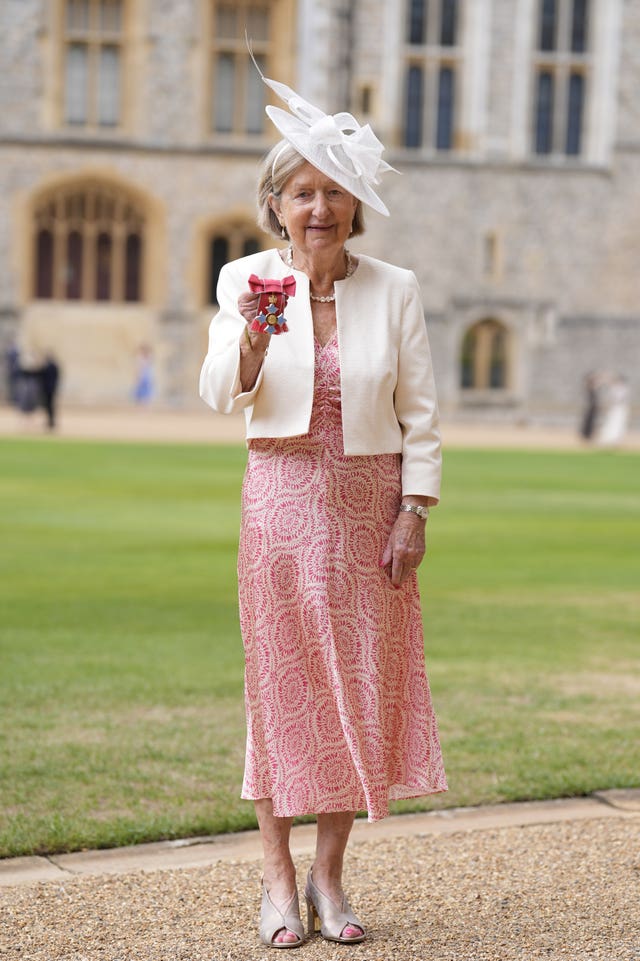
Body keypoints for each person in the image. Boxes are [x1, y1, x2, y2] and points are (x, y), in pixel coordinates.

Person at [199, 70, 447, 949]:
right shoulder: (248, 279)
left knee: (358, 686)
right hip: (280, 503)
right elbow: (218, 392)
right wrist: (252, 337)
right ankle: (276, 877)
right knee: (280, 689)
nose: (320, 206)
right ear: (275, 205)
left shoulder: (395, 287)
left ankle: (329, 876)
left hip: (369, 510)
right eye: (302, 192)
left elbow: (421, 414)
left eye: (335, 190)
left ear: (356, 204)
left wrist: (415, 509)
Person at [597, 374, 630, 448]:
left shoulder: (623, 389)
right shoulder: (615, 388)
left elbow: (620, 399)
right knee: (611, 423)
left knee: (617, 424)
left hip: (619, 409)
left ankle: (615, 439)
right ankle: (608, 439)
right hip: (614, 408)